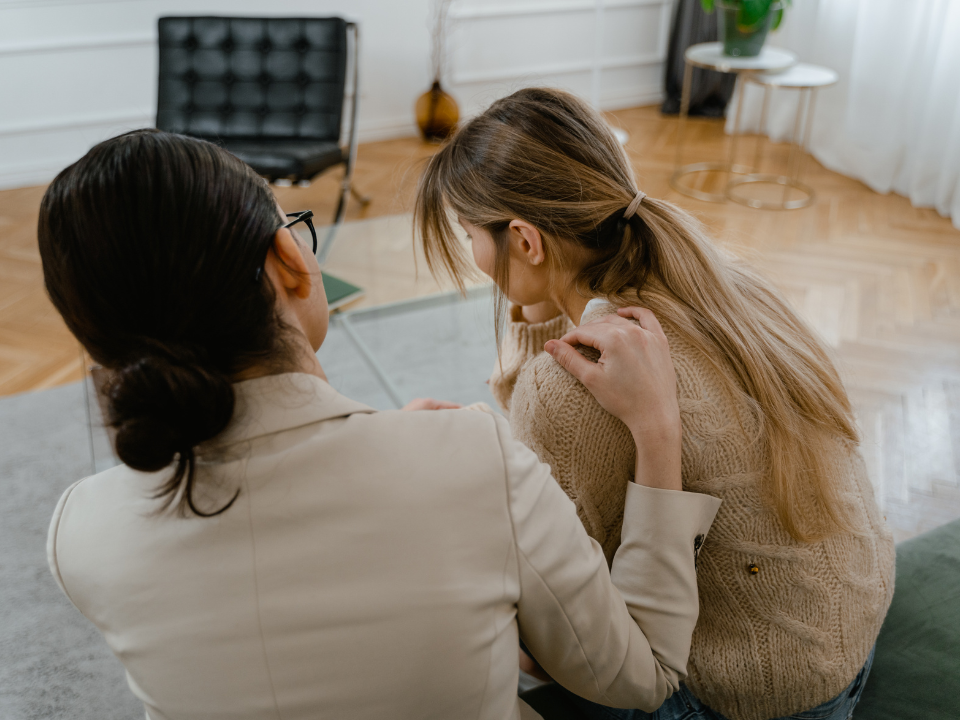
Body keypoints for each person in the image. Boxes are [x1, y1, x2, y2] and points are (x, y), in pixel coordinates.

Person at [40, 129, 722, 720]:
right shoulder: (472, 457)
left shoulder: (79, 531)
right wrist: (657, 429)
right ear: (288, 260)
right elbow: (642, 676)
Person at [414, 87, 895, 720]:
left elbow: (570, 631)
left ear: (525, 240)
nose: (475, 256)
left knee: (492, 613)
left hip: (751, 695)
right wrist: (541, 307)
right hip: (847, 629)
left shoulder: (565, 389)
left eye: (469, 234)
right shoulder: (719, 281)